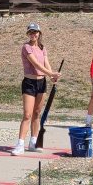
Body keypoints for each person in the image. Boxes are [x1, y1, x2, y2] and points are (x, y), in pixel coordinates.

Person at [12, 23, 60, 155]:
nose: (33, 34)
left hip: (41, 82)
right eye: (31, 32)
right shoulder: (26, 47)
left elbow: (46, 63)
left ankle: (33, 141)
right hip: (29, 82)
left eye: (35, 32)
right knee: (27, 114)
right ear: (28, 34)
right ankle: (20, 144)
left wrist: (52, 76)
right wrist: (51, 74)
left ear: (39, 33)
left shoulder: (42, 48)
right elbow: (36, 64)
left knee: (37, 113)